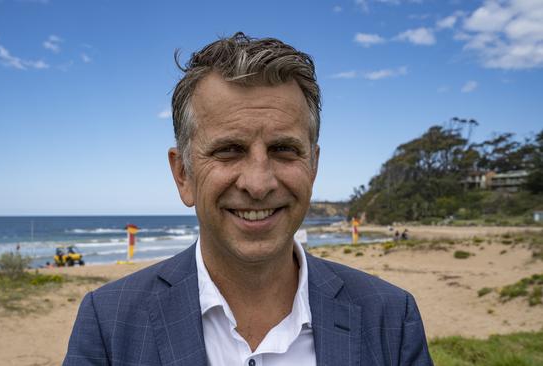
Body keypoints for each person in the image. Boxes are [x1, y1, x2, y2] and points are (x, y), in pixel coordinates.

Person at [64, 32, 433, 365]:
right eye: (229, 150)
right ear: (183, 175)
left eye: (284, 149)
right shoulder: (108, 325)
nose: (258, 183)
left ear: (313, 166)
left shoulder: (390, 319)